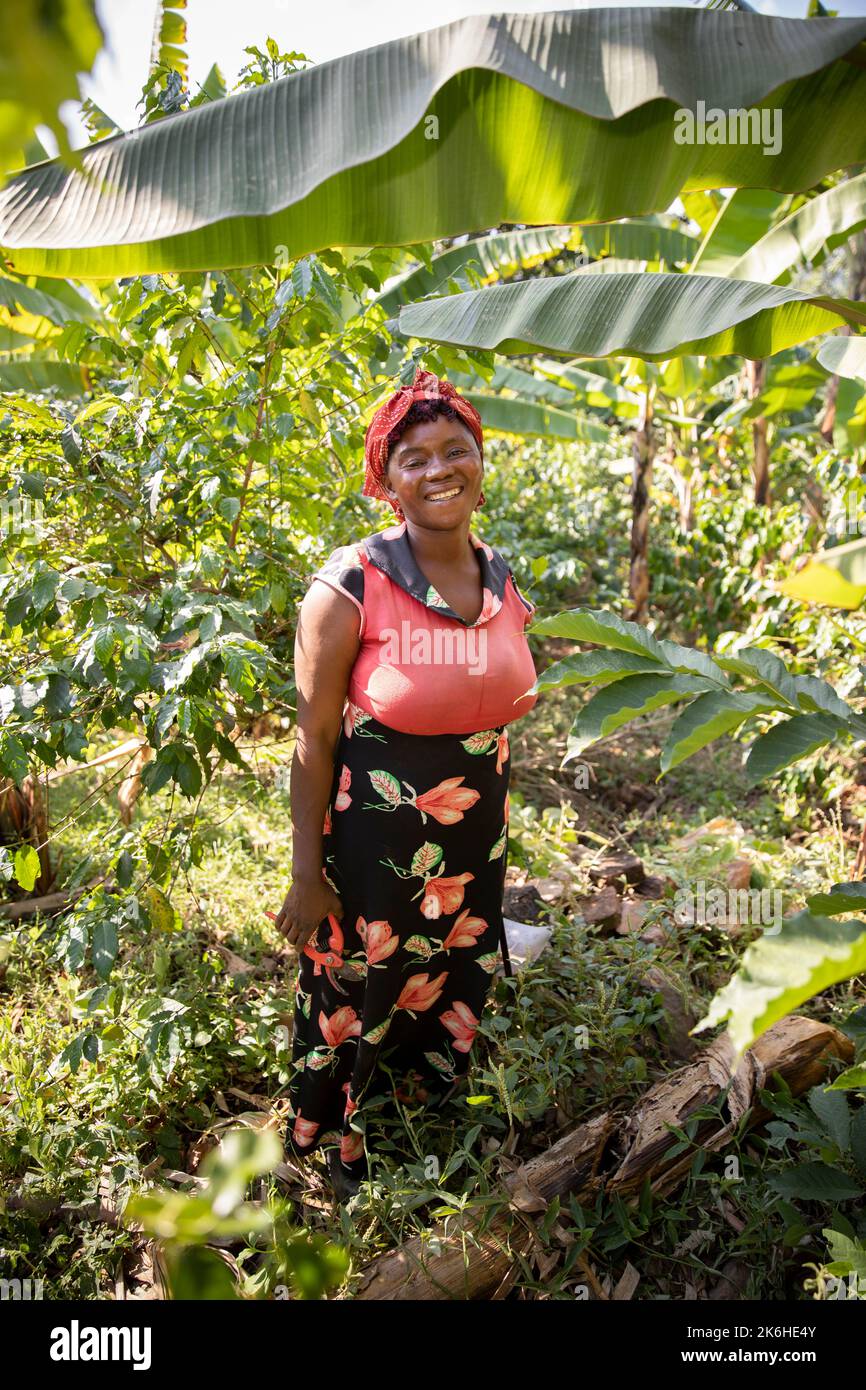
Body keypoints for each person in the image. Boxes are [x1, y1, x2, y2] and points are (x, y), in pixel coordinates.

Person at [274, 365, 539, 1202]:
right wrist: (306, 875)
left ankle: (430, 1130)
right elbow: (314, 744)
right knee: (366, 989)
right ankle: (344, 1156)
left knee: (454, 980)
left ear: (481, 461)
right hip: (376, 848)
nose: (438, 470)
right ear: (385, 478)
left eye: (455, 450)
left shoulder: (500, 578)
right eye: (414, 457)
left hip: (471, 841)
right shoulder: (350, 585)